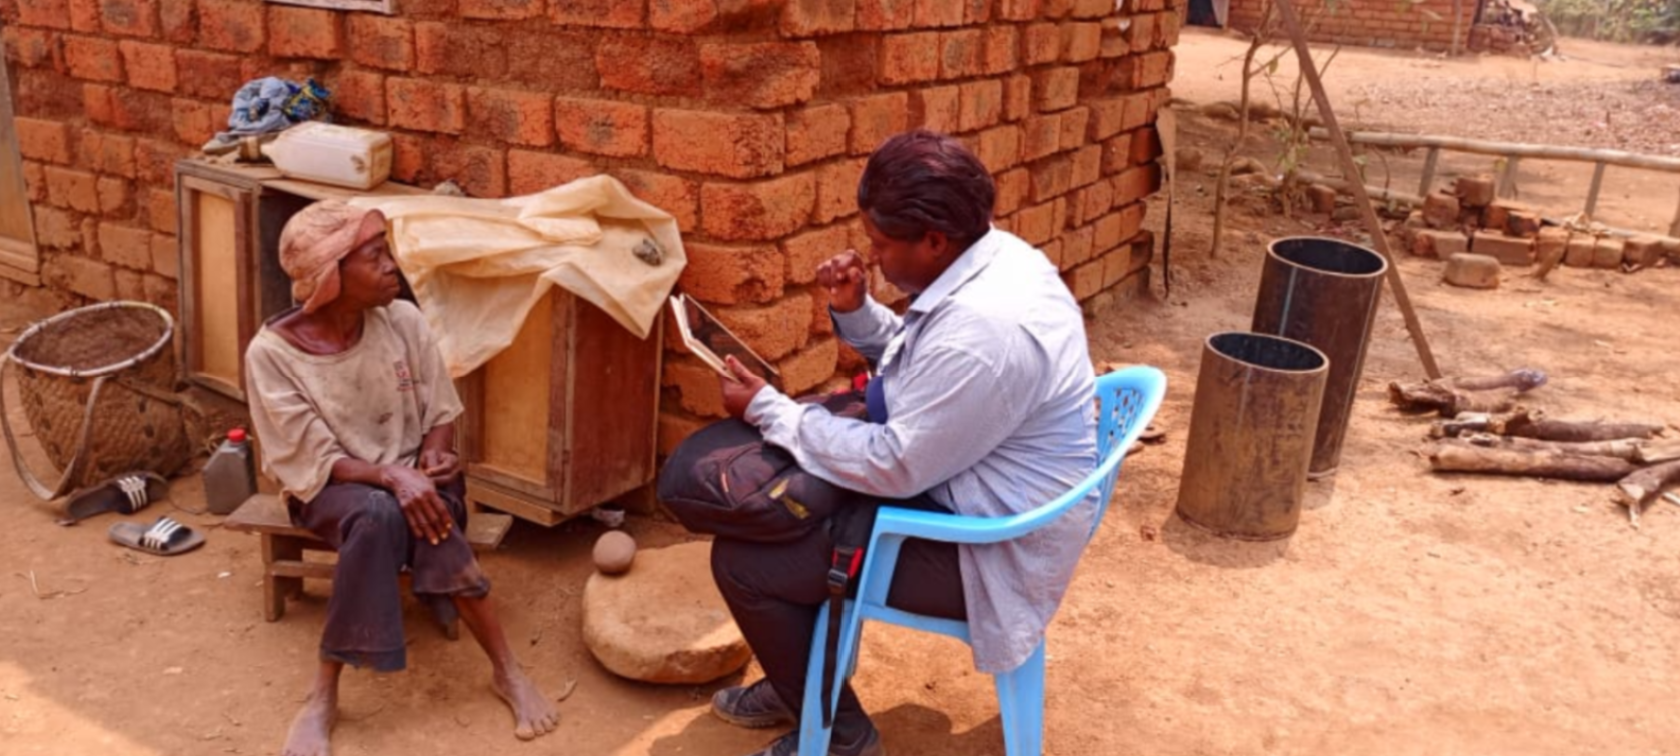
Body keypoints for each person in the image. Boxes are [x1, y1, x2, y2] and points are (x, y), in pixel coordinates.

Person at [707, 131, 1099, 756]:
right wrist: (857, 309)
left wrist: (769, 411)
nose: (873, 255)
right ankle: (800, 683)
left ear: (935, 240)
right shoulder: (998, 259)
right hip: (978, 481)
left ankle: (838, 735)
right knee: (790, 510)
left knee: (746, 561)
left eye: (883, 244)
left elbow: (896, 465)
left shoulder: (986, 332)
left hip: (991, 547)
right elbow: (925, 366)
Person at [244, 201, 559, 756]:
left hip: (421, 485)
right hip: (333, 491)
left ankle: (330, 695)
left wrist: (435, 460)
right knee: (378, 513)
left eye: (386, 251)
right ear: (330, 277)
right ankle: (334, 694)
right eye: (375, 256)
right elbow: (313, 459)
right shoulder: (272, 356)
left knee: (406, 507)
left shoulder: (404, 321)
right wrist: (391, 476)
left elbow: (440, 415)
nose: (392, 265)